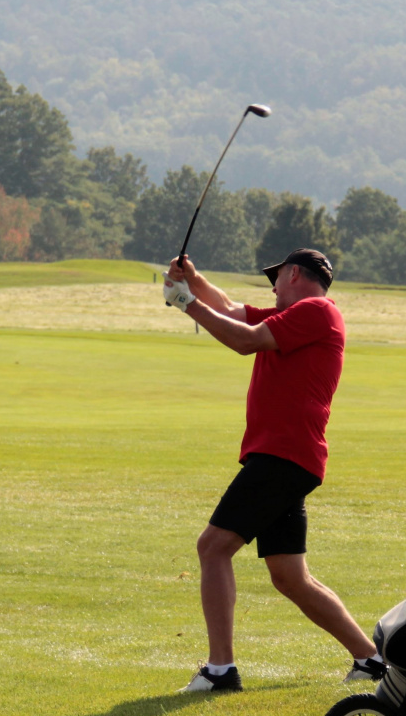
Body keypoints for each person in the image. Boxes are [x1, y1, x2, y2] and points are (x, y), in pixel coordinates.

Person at [163, 248, 382, 693]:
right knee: (289, 576)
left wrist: (185, 302)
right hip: (287, 456)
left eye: (276, 278)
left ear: (294, 273)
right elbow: (231, 311)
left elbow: (244, 340)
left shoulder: (316, 311)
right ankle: (372, 661)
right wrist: (194, 280)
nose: (273, 288)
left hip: (283, 455)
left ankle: (220, 671)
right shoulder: (296, 315)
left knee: (213, 547)